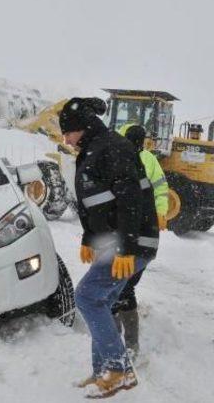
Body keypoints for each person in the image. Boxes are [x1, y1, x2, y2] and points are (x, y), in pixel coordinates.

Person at [59, 97, 158, 398]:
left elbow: (130, 201)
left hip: (132, 242)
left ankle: (118, 371)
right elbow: (97, 203)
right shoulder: (93, 149)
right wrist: (90, 237)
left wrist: (128, 248)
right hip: (118, 241)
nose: (65, 140)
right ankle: (103, 371)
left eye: (68, 133)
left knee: (87, 297)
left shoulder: (110, 147)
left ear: (81, 127)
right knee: (102, 302)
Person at [112, 125, 168, 360]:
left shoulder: (124, 161)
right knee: (124, 287)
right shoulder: (146, 160)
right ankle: (127, 344)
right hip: (145, 237)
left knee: (117, 288)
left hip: (133, 237)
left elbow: (157, 190)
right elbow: (160, 188)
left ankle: (118, 345)